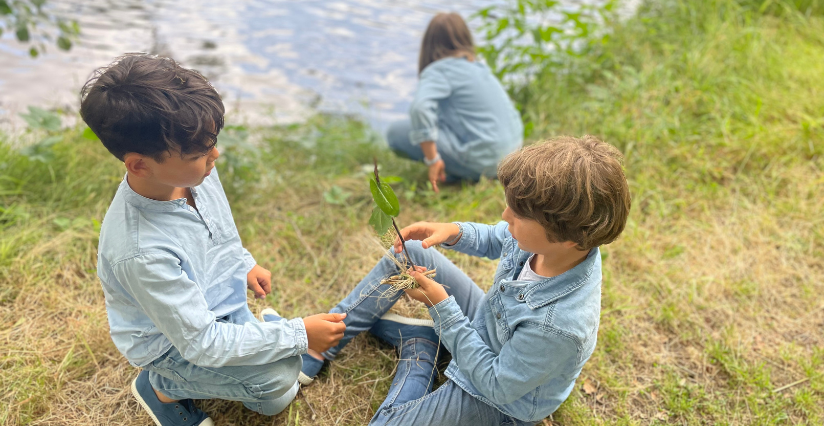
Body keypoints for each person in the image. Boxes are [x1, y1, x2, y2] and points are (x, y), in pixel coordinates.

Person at [81, 54, 346, 426]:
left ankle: (262, 336)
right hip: (175, 344)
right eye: (200, 153)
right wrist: (298, 334)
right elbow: (200, 342)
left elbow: (220, 233)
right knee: (279, 385)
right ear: (140, 165)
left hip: (217, 308)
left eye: (213, 144)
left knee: (292, 360)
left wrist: (243, 262)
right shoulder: (140, 250)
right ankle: (160, 387)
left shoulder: (194, 173)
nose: (215, 156)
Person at [298, 136, 631, 425]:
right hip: (490, 326)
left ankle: (421, 349)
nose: (505, 215)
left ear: (568, 236)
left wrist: (442, 308)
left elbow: (496, 383)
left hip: (498, 399)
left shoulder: (558, 327)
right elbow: (498, 236)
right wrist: (453, 231)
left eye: (519, 213)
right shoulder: (557, 244)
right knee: (409, 250)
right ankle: (322, 342)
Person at [387, 12, 524, 193]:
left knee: (396, 132)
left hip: (485, 161)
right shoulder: (478, 66)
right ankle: (462, 170)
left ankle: (456, 170)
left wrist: (432, 159)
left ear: (428, 44)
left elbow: (419, 109)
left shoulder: (438, 70)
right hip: (511, 156)